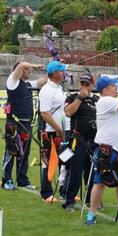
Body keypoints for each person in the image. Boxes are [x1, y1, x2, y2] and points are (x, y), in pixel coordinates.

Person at [85, 76, 118, 225]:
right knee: (100, 182)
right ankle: (91, 213)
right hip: (108, 150)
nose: (116, 88)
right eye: (113, 86)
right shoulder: (105, 101)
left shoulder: (113, 104)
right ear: (105, 89)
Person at [2, 62, 47, 190]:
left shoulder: (26, 84)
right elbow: (21, 64)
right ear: (19, 70)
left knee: (24, 153)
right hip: (14, 123)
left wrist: (53, 67)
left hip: (26, 123)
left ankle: (22, 180)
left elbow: (42, 81)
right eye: (27, 70)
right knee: (11, 151)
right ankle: (7, 180)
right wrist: (36, 65)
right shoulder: (12, 82)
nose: (30, 71)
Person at [62, 73, 99, 211]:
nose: (84, 86)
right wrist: (79, 98)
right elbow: (68, 113)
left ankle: (91, 200)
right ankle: (69, 200)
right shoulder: (72, 97)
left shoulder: (97, 99)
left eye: (87, 84)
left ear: (92, 84)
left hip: (94, 141)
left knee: (93, 172)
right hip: (78, 141)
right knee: (75, 171)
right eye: (82, 83)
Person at [39, 61, 71, 202]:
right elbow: (45, 113)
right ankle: (46, 193)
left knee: (65, 160)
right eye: (61, 71)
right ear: (54, 74)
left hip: (63, 130)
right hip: (52, 131)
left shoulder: (58, 88)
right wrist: (58, 129)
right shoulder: (46, 90)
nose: (64, 73)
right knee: (49, 161)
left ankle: (64, 190)